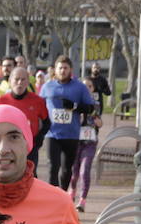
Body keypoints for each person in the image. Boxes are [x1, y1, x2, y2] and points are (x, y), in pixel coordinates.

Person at [38, 56, 97, 191]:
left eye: (65, 68)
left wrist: (74, 106)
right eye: (60, 68)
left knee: (66, 169)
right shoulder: (47, 86)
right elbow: (39, 106)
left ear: (71, 70)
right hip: (52, 133)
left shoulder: (80, 87)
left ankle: (63, 194)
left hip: (71, 134)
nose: (63, 71)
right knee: (52, 167)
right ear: (55, 70)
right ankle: (52, 197)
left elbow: (91, 109)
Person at [0, 67, 50, 168]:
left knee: (30, 176)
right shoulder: (1, 101)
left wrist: (38, 139)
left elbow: (46, 123)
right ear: (10, 81)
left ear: (28, 82)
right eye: (16, 79)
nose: (19, 82)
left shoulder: (37, 101)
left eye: (23, 80)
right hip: (8, 147)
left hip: (30, 147)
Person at [70, 79, 102, 211]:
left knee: (84, 171)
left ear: (93, 89)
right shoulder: (75, 103)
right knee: (74, 172)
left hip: (90, 142)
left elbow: (100, 123)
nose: (87, 88)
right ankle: (71, 192)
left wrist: (95, 118)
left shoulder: (96, 105)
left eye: (89, 86)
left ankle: (82, 200)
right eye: (84, 86)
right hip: (75, 141)